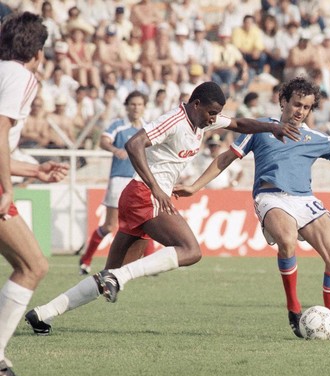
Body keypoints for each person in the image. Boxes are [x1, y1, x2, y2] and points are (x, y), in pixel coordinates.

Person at [24, 81, 300, 336]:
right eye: (212, 113)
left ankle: (43, 313)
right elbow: (134, 144)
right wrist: (155, 186)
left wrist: (271, 127)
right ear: (196, 105)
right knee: (191, 251)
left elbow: (239, 123)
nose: (214, 119)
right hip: (145, 194)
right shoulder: (174, 120)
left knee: (109, 274)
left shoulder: (203, 122)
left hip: (140, 196)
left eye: (217, 114)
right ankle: (118, 278)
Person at [173, 77, 330, 339]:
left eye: (306, 107)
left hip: (304, 199)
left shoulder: (314, 137)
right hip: (270, 196)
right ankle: (294, 309)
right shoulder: (261, 129)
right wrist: (195, 187)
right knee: (286, 239)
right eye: (296, 104)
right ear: (283, 101)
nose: (300, 111)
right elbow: (226, 158)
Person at [0, 12, 69, 376]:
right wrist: (7, 186)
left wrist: (35, 171)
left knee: (31, 264)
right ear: (38, 52)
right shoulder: (23, 77)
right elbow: (0, 127)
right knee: (33, 265)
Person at [78, 91, 154, 275]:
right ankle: (86, 259)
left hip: (139, 180)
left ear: (144, 107)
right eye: (133, 104)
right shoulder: (118, 126)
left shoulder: (148, 127)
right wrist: (115, 150)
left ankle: (151, 266)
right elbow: (104, 141)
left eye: (139, 104)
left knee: (146, 222)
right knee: (110, 225)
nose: (136, 108)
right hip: (119, 179)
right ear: (127, 106)